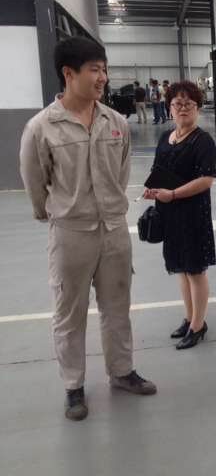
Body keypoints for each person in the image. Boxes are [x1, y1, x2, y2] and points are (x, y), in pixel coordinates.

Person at [19, 37, 157, 422]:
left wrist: (110, 209)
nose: (103, 77)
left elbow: (121, 174)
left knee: (117, 307)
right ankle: (73, 386)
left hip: (113, 230)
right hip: (71, 233)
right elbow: (34, 181)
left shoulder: (116, 123)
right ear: (69, 73)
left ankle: (122, 371)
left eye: (104, 69)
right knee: (70, 312)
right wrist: (55, 214)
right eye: (94, 69)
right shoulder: (42, 127)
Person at [143, 81, 216, 350]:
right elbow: (157, 169)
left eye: (189, 104)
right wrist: (151, 189)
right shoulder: (166, 138)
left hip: (193, 214)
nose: (183, 108)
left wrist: (173, 194)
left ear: (197, 108)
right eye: (177, 104)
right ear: (169, 108)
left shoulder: (203, 141)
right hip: (169, 213)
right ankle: (189, 318)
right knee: (180, 269)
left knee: (195, 270)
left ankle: (198, 325)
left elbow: (207, 179)